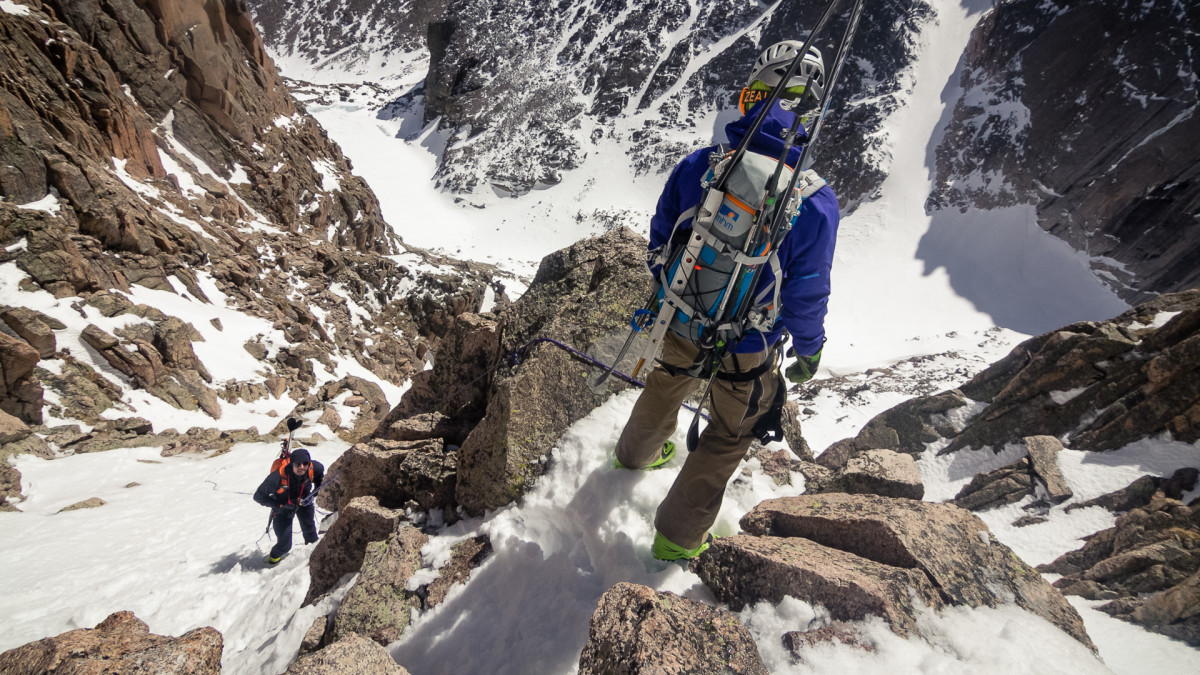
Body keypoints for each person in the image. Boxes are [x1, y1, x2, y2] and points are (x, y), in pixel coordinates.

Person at [615, 41, 840, 561]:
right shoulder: (814, 200)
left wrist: (668, 291)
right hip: (749, 343)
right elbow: (807, 290)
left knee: (667, 382)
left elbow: (663, 235)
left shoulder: (702, 164)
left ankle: (632, 457)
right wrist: (809, 349)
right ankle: (677, 539)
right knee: (730, 429)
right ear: (811, 115)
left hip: (681, 313)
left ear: (749, 99)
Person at [254, 447, 325, 565]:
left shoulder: (315, 468)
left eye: (305, 463)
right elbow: (258, 496)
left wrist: (314, 493)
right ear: (292, 464)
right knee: (284, 545)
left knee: (311, 535)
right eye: (298, 464)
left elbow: (320, 479)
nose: (302, 467)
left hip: (304, 501)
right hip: (282, 506)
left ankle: (313, 563)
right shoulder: (276, 478)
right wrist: (280, 506)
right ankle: (272, 560)